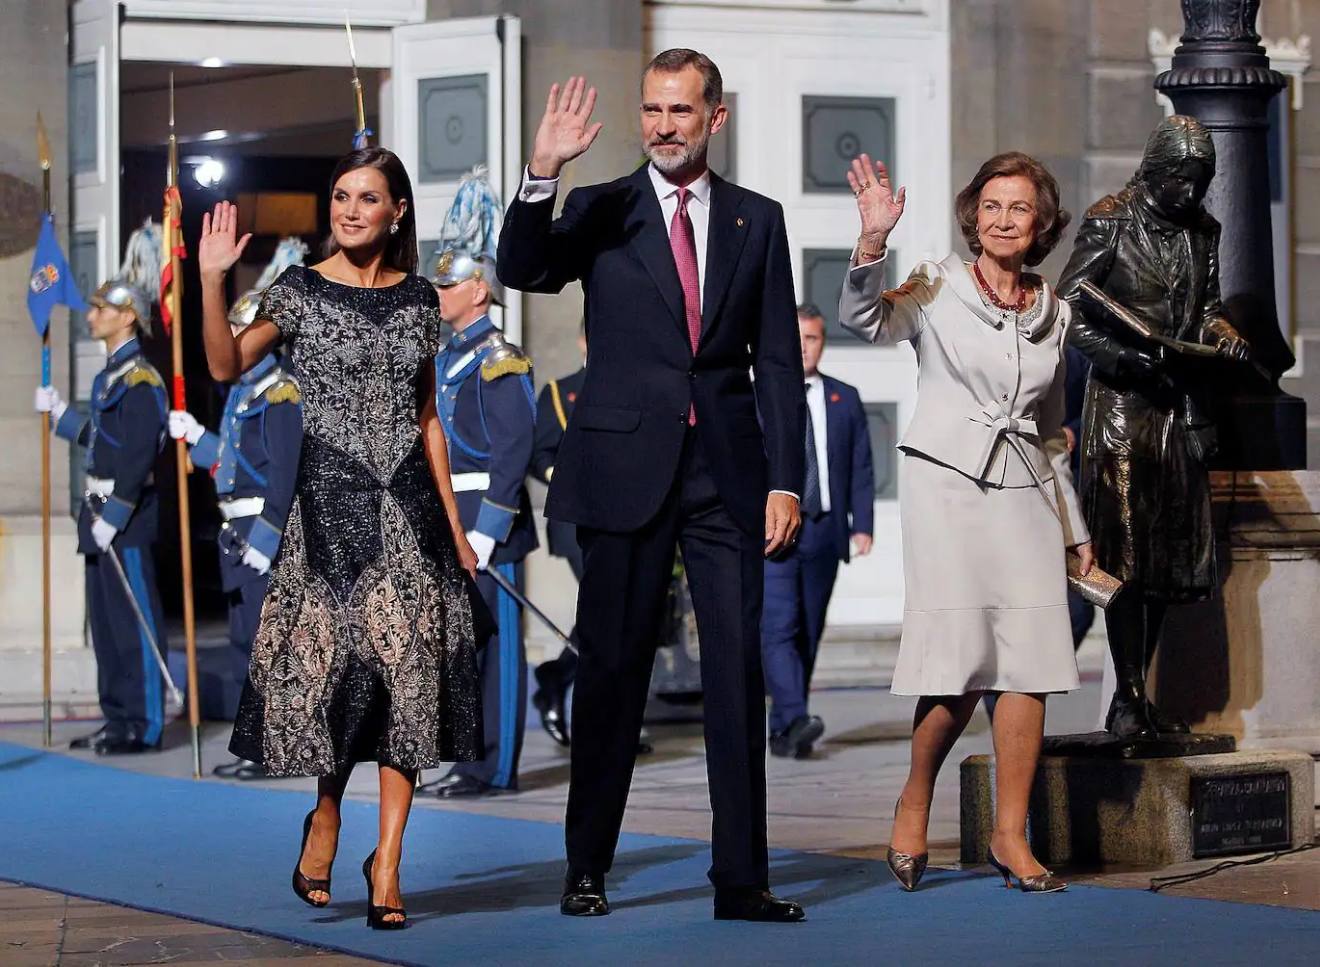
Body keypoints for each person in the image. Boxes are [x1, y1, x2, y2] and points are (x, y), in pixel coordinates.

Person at [497, 50, 807, 923]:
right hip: (623, 474)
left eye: (681, 110)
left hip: (727, 481)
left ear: (717, 116)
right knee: (614, 674)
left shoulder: (758, 220)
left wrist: (787, 480)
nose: (663, 125)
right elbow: (524, 268)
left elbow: (777, 361)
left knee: (736, 676)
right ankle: (586, 865)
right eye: (651, 110)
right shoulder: (602, 207)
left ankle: (741, 878)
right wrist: (541, 173)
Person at [197, 147, 484, 930]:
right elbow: (225, 366)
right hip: (329, 508)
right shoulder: (295, 291)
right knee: (341, 683)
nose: (352, 209)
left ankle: (387, 860)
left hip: (413, 515)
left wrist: (457, 530)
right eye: (341, 196)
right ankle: (326, 815)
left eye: (368, 199)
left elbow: (430, 420)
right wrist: (213, 277)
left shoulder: (422, 299)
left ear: (396, 211)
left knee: (409, 681)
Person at [839, 151, 1093, 894]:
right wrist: (869, 244)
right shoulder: (935, 282)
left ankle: (1010, 834)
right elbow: (866, 320)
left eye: (1019, 208)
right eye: (990, 206)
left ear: (1041, 223)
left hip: (1023, 495)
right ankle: (915, 795)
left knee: (1033, 665)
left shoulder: (1058, 312)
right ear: (971, 216)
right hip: (945, 488)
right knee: (958, 663)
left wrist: (1075, 531)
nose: (1003, 219)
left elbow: (1051, 437)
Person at [1057, 116, 1251, 740]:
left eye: (1200, 183)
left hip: (1177, 403)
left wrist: (1226, 338)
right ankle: (1127, 696)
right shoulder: (1111, 218)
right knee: (1126, 556)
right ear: (1156, 171)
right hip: (1120, 407)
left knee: (1169, 557)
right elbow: (1070, 306)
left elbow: (1210, 308)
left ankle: (1142, 692)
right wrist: (1125, 356)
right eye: (1181, 181)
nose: (1190, 195)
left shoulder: (1204, 232)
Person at [419, 171, 539, 799]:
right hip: (450, 521)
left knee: (499, 652)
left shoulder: (500, 358)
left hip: (489, 526)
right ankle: (469, 758)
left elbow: (512, 449)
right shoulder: (444, 360)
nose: (438, 292)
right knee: (461, 649)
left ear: (480, 292)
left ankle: (497, 766)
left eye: (449, 283)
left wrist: (489, 529)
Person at [168, 238, 307, 778]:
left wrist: (269, 538)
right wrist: (200, 439)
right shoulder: (242, 396)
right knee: (244, 641)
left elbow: (284, 473)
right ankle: (255, 743)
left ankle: (275, 746)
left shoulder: (280, 394)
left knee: (270, 641)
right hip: (238, 528)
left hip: (260, 531)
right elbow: (234, 463)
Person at [34, 277, 169, 755]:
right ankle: (116, 718)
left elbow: (136, 457)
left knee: (135, 624)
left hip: (124, 520)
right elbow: (104, 441)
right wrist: (62, 417)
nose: (90, 316)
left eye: (99, 309)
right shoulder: (107, 377)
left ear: (126, 315)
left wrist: (114, 515)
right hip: (97, 517)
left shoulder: (141, 380)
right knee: (108, 628)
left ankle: (144, 724)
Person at [762, 304, 874, 759]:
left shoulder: (843, 398)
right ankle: (794, 714)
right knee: (778, 626)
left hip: (825, 530)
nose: (806, 347)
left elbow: (862, 466)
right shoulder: (761, 395)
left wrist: (862, 525)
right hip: (774, 532)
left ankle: (787, 725)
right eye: (799, 338)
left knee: (807, 630)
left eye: (814, 339)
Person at [528, 328, 588, 747]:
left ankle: (558, 675)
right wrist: (567, 479)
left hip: (632, 518)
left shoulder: (636, 385)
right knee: (607, 607)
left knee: (618, 616)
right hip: (578, 519)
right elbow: (539, 453)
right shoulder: (560, 391)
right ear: (583, 341)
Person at [1062, 345, 1096, 649]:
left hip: (1068, 484)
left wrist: (1073, 431)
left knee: (1080, 610)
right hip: (1009, 493)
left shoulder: (1076, 347)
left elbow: (1097, 403)